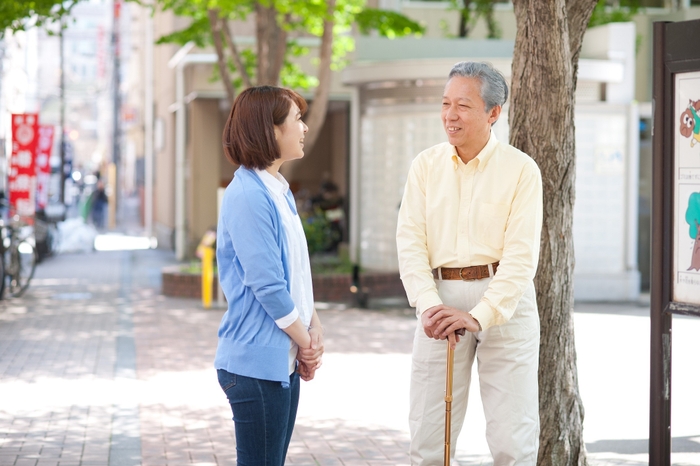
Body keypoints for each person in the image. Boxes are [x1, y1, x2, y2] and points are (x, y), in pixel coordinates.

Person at [396, 61, 543, 465]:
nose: (450, 115)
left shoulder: (521, 170)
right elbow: (409, 241)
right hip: (439, 300)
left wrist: (480, 315)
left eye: (463, 105)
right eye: (445, 104)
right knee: (429, 436)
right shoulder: (425, 166)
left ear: (494, 113)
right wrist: (427, 305)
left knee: (513, 439)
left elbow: (521, 256)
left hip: (506, 304)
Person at [214, 86, 325, 465]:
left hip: (283, 360)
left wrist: (314, 326)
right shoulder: (247, 195)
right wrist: (307, 341)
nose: (304, 128)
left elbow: (295, 273)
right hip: (255, 366)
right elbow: (268, 285)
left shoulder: (278, 190)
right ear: (270, 130)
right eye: (296, 119)